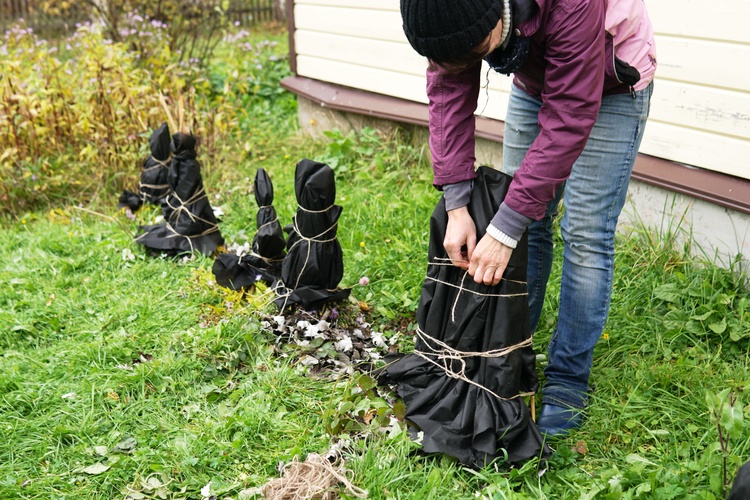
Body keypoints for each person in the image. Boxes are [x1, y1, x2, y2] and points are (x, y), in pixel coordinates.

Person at [400, 0, 656, 435]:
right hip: (535, 76)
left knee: (585, 233)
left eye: (479, 48)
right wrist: (457, 201)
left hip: (611, 79)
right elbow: (448, 85)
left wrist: (505, 225)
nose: (475, 63)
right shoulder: (454, 14)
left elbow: (570, 112)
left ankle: (567, 381)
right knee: (525, 224)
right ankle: (511, 351)